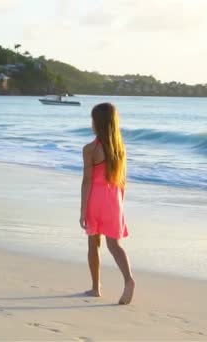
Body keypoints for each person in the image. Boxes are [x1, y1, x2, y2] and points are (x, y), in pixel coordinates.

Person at [79, 102, 135, 305]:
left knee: (93, 243)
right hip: (114, 199)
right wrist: (120, 203)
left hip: (95, 198)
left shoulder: (90, 149)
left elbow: (87, 180)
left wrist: (83, 209)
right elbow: (123, 181)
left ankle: (95, 288)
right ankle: (128, 280)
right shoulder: (120, 149)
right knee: (115, 245)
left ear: (97, 123)